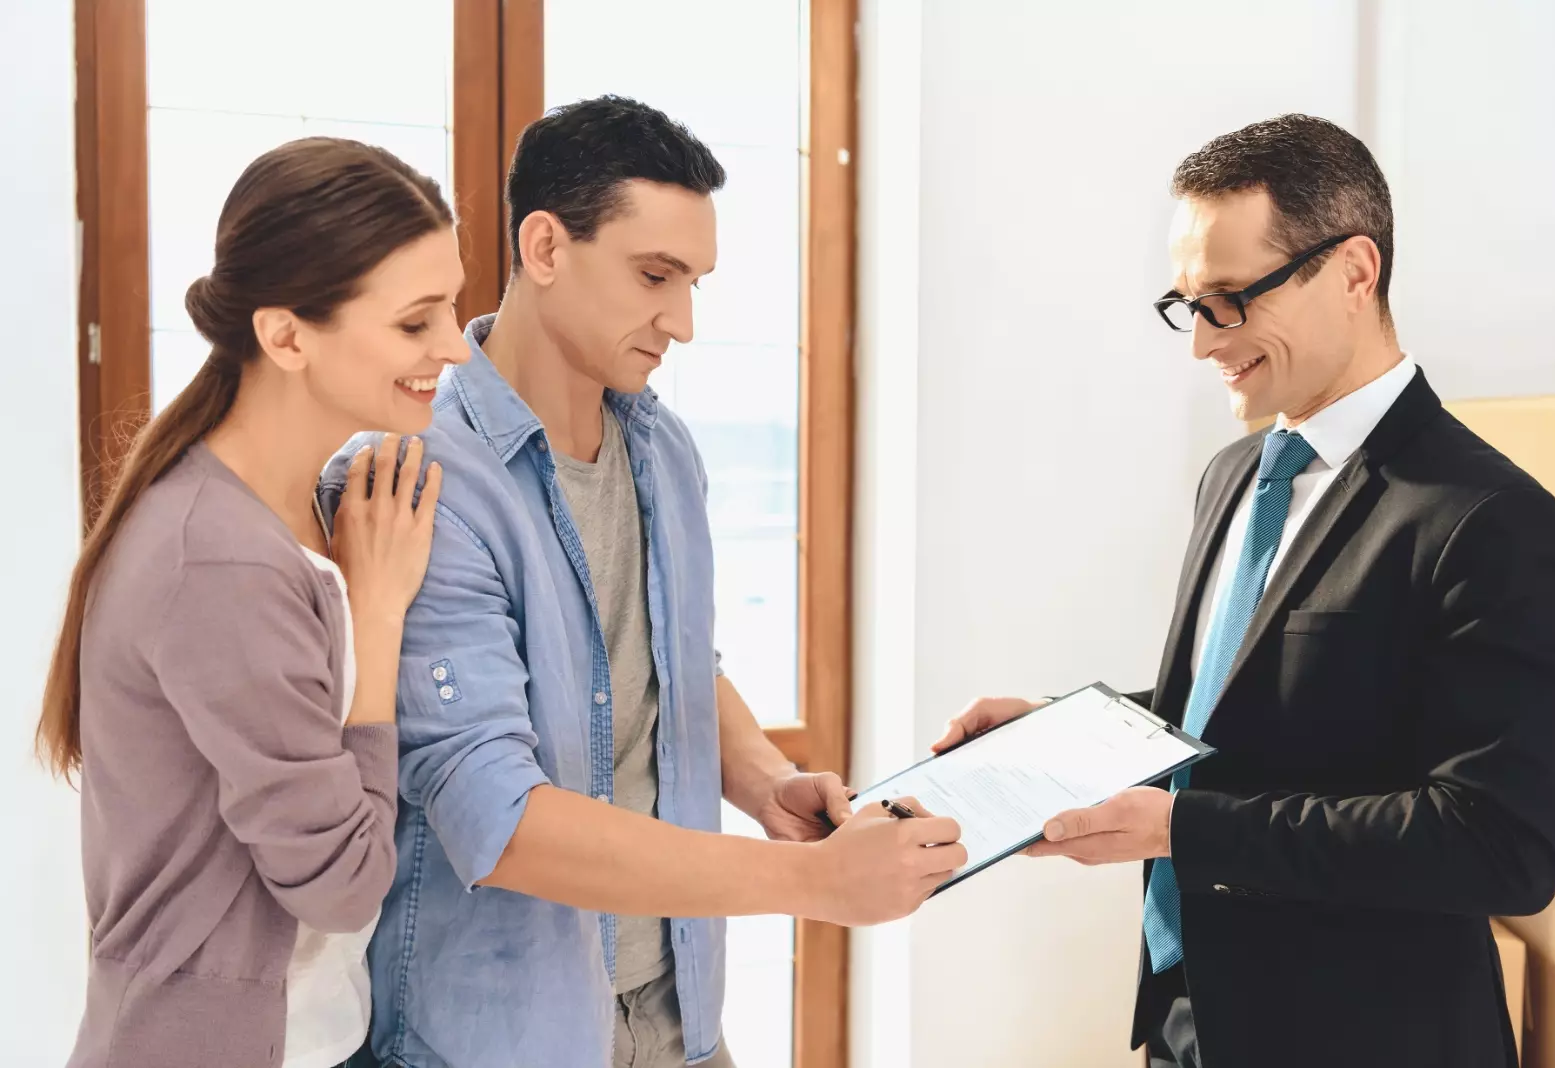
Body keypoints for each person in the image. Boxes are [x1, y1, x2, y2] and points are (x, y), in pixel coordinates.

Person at [317, 96, 962, 1068]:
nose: (685, 322)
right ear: (543, 246)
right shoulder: (421, 485)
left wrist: (766, 780)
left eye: (694, 282)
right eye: (655, 276)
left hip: (676, 1020)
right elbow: (497, 819)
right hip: (501, 1041)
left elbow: (675, 659)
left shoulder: (665, 452)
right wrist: (815, 886)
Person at [937, 114, 1555, 1068]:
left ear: (1356, 272)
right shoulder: (1235, 475)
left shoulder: (1488, 518)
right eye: (1188, 304)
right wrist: (1064, 733)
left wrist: (1183, 830)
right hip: (1190, 1020)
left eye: (1232, 300)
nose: (1203, 345)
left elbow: (1499, 845)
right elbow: (1244, 707)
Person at [40, 137, 470, 1068]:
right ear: (284, 336)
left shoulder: (293, 515)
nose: (453, 347)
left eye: (454, 308)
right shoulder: (219, 562)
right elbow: (343, 887)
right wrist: (380, 613)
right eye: (416, 323)